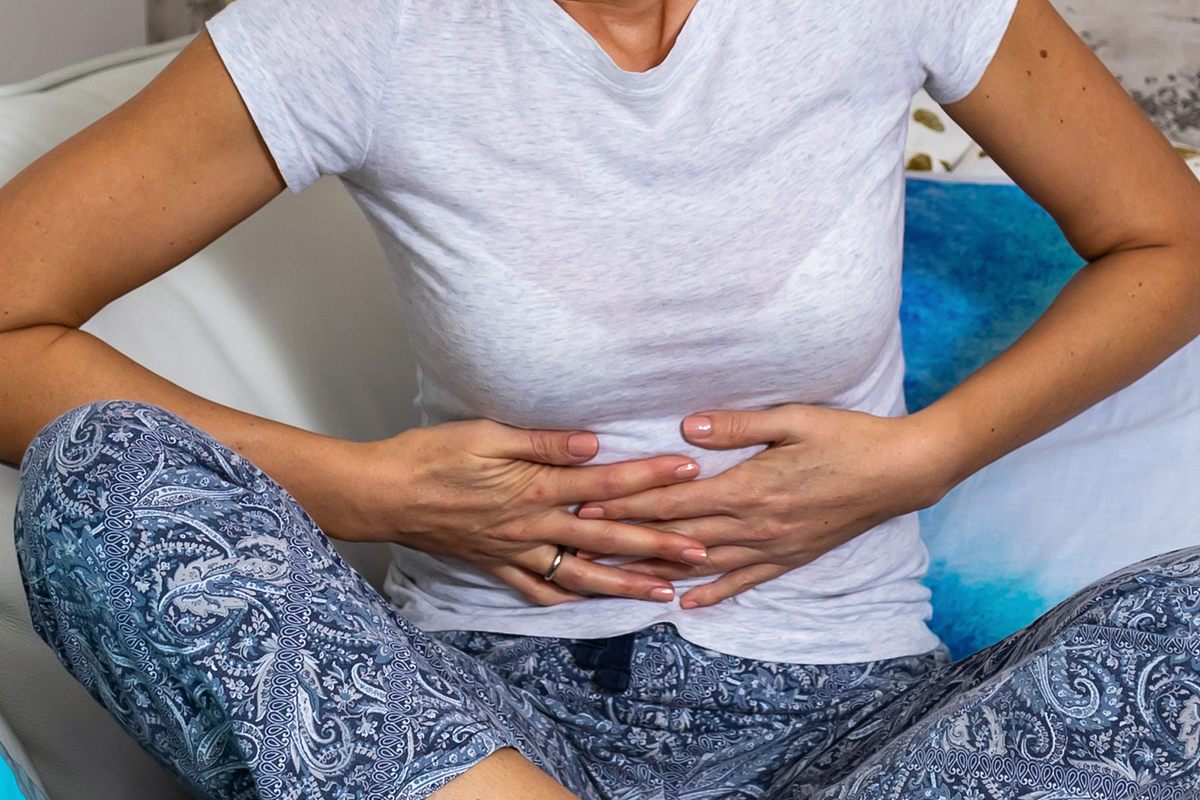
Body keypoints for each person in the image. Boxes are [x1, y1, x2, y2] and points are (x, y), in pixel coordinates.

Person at [3, 0, 1200, 797]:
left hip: (866, 729)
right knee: (99, 471)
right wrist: (374, 491)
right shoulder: (361, 23)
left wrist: (927, 453)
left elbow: (1169, 239)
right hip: (464, 730)